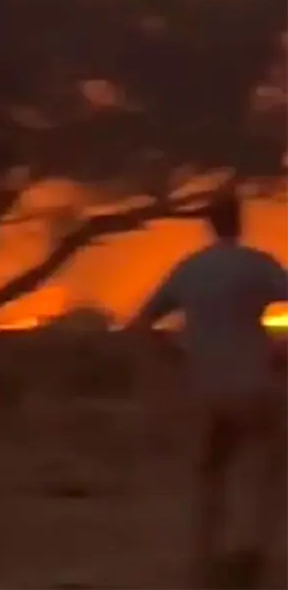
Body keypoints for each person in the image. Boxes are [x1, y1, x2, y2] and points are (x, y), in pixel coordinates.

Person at [124, 191, 287, 588]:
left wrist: (174, 352)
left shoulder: (191, 269)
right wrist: (282, 350)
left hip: (205, 387)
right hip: (252, 382)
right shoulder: (257, 265)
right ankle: (256, 549)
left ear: (209, 224)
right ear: (240, 222)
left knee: (212, 472)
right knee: (275, 459)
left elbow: (142, 322)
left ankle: (205, 558)